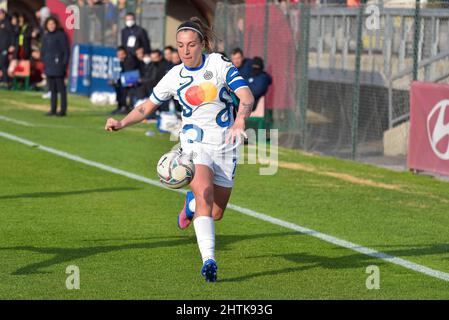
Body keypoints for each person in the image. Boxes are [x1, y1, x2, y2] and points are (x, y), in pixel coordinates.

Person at [105, 17, 254, 282]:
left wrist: (241, 119)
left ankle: (189, 206)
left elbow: (246, 96)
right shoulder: (174, 76)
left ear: (202, 45)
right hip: (194, 144)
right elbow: (147, 106)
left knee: (216, 212)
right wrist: (122, 122)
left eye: (191, 45)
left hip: (225, 145)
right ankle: (209, 260)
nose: (185, 51)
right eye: (180, 45)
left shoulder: (219, 65)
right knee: (205, 194)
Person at [41, 17, 70, 116]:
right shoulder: (46, 36)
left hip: (58, 66)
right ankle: (53, 109)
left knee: (61, 89)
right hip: (49, 65)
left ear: (56, 24)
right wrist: (44, 61)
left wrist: (64, 64)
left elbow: (66, 51)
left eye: (52, 24)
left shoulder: (61, 35)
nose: (51, 26)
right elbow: (43, 51)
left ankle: (62, 110)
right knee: (52, 89)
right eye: (49, 24)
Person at [110, 45, 139, 115]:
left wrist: (127, 81)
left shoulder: (130, 60)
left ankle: (124, 107)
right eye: (118, 54)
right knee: (117, 85)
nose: (119, 56)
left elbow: (131, 73)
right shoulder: (122, 61)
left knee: (122, 87)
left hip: (134, 80)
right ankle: (120, 106)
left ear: (125, 54)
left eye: (121, 54)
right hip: (127, 79)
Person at [0, 9, 14, 87]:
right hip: (1, 47)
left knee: (3, 63)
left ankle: (6, 81)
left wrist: (12, 45)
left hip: (5, 47)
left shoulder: (7, 23)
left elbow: (12, 35)